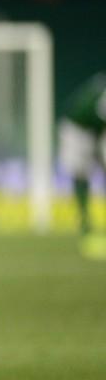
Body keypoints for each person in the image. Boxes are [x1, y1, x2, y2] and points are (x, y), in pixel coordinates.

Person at [58, 72, 106, 256]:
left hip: (98, 132)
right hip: (77, 130)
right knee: (80, 174)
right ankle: (85, 225)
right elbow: (99, 118)